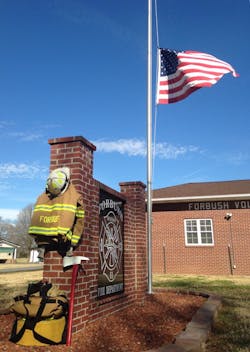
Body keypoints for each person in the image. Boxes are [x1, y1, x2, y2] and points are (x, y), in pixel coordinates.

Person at [28, 167, 85, 259]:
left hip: (43, 238)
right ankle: (68, 249)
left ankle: (42, 248)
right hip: (63, 237)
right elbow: (80, 220)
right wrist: (73, 243)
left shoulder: (41, 197)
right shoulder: (74, 196)